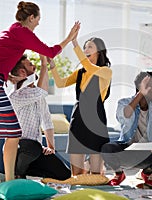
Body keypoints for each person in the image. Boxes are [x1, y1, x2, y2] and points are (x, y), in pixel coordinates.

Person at [0, 1, 79, 192]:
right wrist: (70, 37)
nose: (38, 24)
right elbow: (50, 52)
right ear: (31, 18)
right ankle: (10, 181)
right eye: (38, 20)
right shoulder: (23, 33)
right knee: (13, 133)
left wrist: (8, 75)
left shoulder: (11, 31)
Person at [50, 34, 112, 176]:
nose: (86, 49)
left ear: (99, 51)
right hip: (78, 118)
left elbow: (89, 67)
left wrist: (74, 43)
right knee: (76, 175)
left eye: (90, 47)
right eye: (84, 47)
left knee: (96, 175)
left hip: (96, 119)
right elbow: (60, 83)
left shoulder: (105, 71)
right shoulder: (80, 73)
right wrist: (53, 66)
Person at [101, 71, 152, 187]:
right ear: (142, 88)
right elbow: (125, 115)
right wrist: (141, 94)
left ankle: (147, 173)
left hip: (148, 152)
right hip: (127, 150)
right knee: (106, 148)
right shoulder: (124, 103)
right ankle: (119, 174)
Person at [9, 54, 71, 180]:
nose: (35, 67)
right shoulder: (16, 95)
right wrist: (44, 64)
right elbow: (42, 91)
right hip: (19, 148)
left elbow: (47, 121)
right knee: (31, 147)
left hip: (35, 149)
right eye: (31, 65)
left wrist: (50, 147)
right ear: (22, 72)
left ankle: (26, 171)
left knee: (64, 174)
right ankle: (17, 173)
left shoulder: (38, 96)